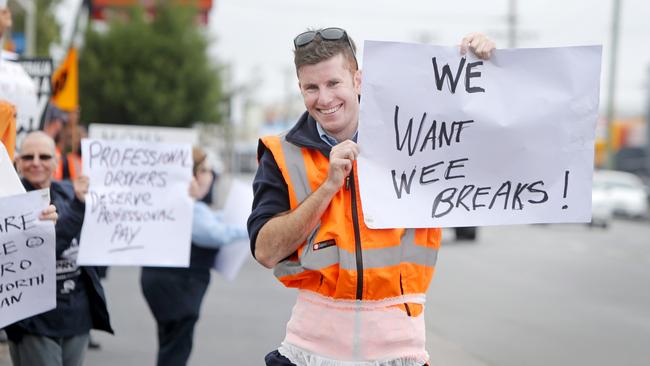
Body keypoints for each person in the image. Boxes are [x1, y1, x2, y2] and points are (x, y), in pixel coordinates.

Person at [247, 28, 495, 365]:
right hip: (309, 354)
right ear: (300, 89)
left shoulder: (415, 138)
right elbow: (265, 251)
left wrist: (480, 65)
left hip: (399, 353)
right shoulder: (281, 154)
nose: (324, 99)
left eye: (334, 83)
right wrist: (328, 187)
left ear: (358, 81)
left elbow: (484, 134)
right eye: (311, 88)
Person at [6, 131, 113, 366]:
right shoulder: (8, 202)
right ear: (18, 163)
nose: (36, 162)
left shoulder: (70, 192)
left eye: (44, 156)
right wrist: (77, 208)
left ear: (56, 162)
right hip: (33, 322)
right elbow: (43, 249)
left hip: (77, 315)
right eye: (28, 157)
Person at [140, 146, 247, 366]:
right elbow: (214, 234)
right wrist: (251, 226)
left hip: (163, 283)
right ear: (194, 175)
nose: (211, 176)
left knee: (170, 343)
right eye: (206, 170)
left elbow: (210, 221)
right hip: (178, 286)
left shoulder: (177, 203)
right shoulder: (189, 207)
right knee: (176, 349)